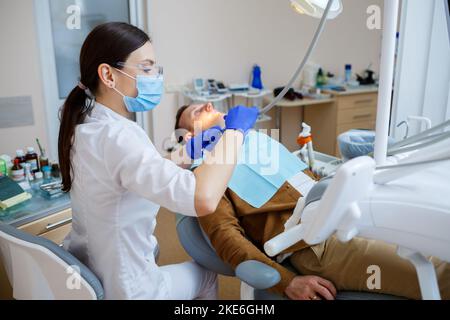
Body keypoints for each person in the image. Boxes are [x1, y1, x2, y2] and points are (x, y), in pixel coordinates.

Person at [58, 22, 259, 300]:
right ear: (108, 75)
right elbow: (202, 198)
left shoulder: (87, 125)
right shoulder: (120, 136)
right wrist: (234, 133)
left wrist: (187, 153)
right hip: (129, 287)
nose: (155, 77)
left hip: (91, 273)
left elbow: (141, 170)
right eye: (146, 68)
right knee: (206, 275)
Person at [174, 102, 450, 300]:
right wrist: (287, 282)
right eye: (198, 111)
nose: (209, 104)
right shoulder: (207, 174)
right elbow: (226, 238)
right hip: (315, 243)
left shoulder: (256, 140)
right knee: (438, 273)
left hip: (353, 209)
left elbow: (304, 179)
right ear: (191, 137)